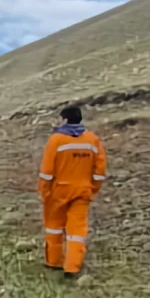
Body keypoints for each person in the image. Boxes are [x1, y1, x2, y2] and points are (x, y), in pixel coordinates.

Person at [38, 106, 107, 278]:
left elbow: (46, 171)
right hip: (82, 191)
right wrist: (92, 189)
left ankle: (53, 262)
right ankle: (72, 267)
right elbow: (100, 171)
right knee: (77, 231)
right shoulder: (92, 140)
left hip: (58, 192)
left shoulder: (56, 140)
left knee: (54, 228)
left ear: (65, 120)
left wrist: (45, 193)